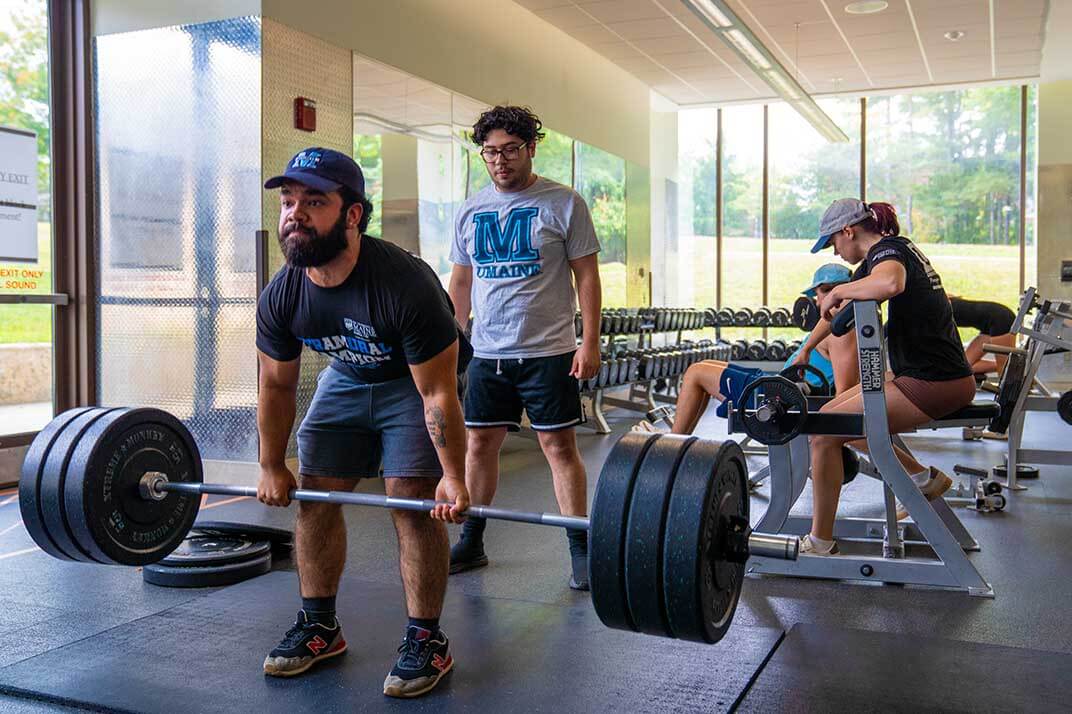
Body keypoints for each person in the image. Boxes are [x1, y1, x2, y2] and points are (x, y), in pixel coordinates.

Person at [255, 147, 472, 698]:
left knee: (411, 499)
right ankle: (319, 628)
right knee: (316, 495)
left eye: (314, 202)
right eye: (288, 201)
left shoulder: (404, 284)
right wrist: (270, 464)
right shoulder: (284, 293)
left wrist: (454, 476)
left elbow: (438, 392)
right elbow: (277, 385)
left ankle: (427, 639)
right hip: (347, 375)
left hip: (413, 381)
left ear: (352, 215)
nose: (294, 214)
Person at [447, 106, 602, 590]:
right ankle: (472, 541)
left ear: (531, 148)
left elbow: (587, 277)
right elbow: (460, 282)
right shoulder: (470, 210)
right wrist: (454, 343)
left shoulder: (564, 203)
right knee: (479, 444)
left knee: (558, 446)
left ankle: (580, 547)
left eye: (510, 150)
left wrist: (589, 342)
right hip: (489, 353)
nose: (499, 160)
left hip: (548, 350)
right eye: (490, 151)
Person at [795, 198, 975, 552]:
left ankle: (820, 542)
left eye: (833, 242)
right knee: (827, 417)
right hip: (923, 374)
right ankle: (922, 478)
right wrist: (805, 348)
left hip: (935, 381)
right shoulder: (879, 259)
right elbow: (837, 313)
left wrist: (841, 289)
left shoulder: (888, 252)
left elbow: (890, 284)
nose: (835, 250)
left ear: (849, 231)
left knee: (824, 434)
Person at [637, 263, 860, 436]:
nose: (818, 300)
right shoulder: (833, 325)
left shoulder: (841, 333)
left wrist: (823, 433)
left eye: (822, 292)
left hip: (776, 397)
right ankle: (680, 437)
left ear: (837, 292)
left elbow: (843, 395)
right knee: (704, 367)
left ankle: (675, 440)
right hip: (774, 384)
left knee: (696, 372)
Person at [949, 295, 1017, 377]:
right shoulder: (936, 305)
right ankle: (1014, 368)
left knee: (1005, 371)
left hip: (1001, 319)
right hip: (988, 326)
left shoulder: (936, 306)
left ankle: (1013, 369)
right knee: (964, 367)